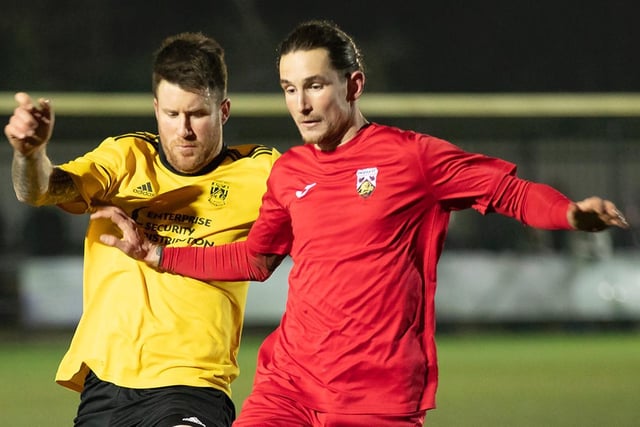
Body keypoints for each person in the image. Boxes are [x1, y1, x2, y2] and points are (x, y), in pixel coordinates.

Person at [93, 21, 629, 426]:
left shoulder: (411, 158)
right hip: (289, 384)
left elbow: (507, 191)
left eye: (314, 86)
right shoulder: (290, 171)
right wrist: (158, 255)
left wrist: (568, 213)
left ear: (353, 84)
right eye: (288, 88)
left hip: (376, 393)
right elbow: (256, 259)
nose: (300, 104)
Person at [4, 32, 280, 427]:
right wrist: (29, 154)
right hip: (104, 388)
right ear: (155, 109)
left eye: (197, 114)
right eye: (171, 115)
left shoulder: (260, 171)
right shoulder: (124, 158)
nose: (183, 130)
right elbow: (39, 190)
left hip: (194, 386)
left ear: (224, 110)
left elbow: (327, 219)